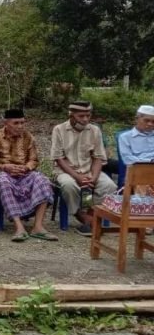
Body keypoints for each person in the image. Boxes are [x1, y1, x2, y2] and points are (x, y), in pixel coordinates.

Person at [0, 109, 56, 242]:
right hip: (3, 172)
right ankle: (19, 227)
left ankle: (38, 227)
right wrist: (4, 167)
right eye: (16, 123)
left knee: (43, 180)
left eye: (22, 123)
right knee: (3, 181)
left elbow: (34, 160)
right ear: (6, 123)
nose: (20, 126)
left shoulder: (28, 137)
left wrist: (26, 167)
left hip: (24, 173)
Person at [51, 101, 117, 236]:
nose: (86, 119)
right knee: (69, 185)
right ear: (71, 115)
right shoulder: (59, 129)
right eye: (81, 116)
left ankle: (91, 216)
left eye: (88, 115)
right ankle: (81, 216)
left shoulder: (94, 130)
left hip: (89, 170)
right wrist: (77, 177)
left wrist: (93, 176)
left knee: (109, 185)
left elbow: (98, 157)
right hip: (66, 171)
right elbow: (59, 158)